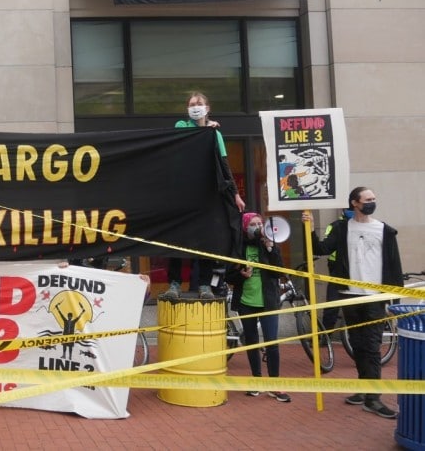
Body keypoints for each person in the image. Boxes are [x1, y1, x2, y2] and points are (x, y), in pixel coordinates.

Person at [304, 186, 403, 419]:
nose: (372, 202)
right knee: (358, 346)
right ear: (354, 203)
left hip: (374, 298)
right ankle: (364, 387)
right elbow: (321, 249)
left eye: (374, 199)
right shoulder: (341, 229)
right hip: (349, 296)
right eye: (368, 199)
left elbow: (394, 266)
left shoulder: (385, 231)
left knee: (372, 346)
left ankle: (374, 398)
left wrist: (393, 300)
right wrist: (308, 228)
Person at [159, 92, 245, 300]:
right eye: (192, 104)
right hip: (182, 194)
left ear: (207, 107)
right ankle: (175, 283)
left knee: (207, 239)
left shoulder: (216, 135)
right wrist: (206, 129)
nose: (195, 107)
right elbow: (182, 144)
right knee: (178, 240)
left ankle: (205, 285)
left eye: (199, 104)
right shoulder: (182, 126)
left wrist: (235, 194)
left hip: (207, 195)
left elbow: (224, 164)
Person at [225, 212, 290, 403]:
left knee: (272, 343)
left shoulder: (268, 244)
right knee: (252, 342)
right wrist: (242, 276)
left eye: (260, 223)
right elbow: (229, 275)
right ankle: (256, 379)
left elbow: (279, 270)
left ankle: (274, 384)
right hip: (247, 302)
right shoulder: (239, 247)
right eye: (253, 224)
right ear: (246, 227)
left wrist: (271, 249)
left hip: (268, 302)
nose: (258, 226)